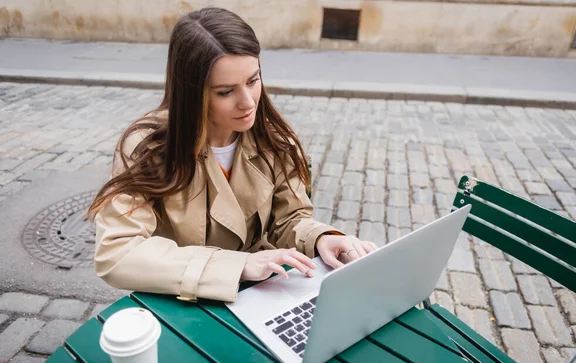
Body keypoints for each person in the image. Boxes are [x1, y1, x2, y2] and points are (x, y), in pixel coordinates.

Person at [87, 7, 377, 303]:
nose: (248, 102)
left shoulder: (274, 140)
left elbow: (289, 219)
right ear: (191, 93)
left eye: (253, 80)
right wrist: (236, 266)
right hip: (179, 301)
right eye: (226, 92)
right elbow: (118, 253)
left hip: (260, 294)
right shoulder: (148, 147)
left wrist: (320, 238)